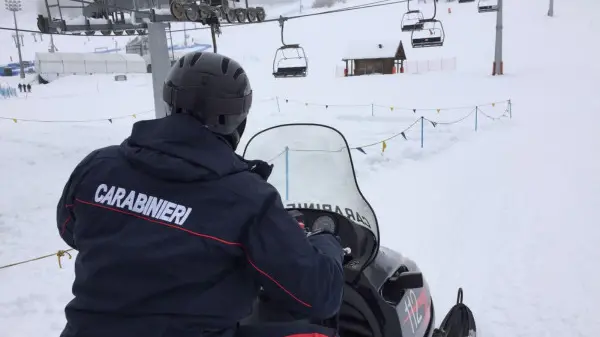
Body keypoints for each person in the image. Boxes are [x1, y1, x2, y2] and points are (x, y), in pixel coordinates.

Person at [57, 51, 345, 337]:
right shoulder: (248, 198)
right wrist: (326, 241)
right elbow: (318, 295)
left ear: (169, 102)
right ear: (238, 117)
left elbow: (70, 229)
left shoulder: (98, 166)